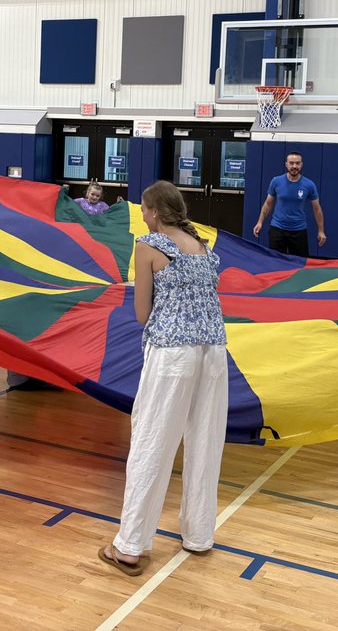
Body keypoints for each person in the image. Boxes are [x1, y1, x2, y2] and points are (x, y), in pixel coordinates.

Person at [99, 181, 228, 576]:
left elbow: (142, 313)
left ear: (153, 211)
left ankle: (130, 546)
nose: (141, 215)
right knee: (205, 441)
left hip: (173, 353)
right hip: (215, 353)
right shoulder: (203, 248)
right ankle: (199, 534)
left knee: (152, 441)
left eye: (143, 209)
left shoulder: (147, 246)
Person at [251, 151, 326, 256]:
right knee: (276, 263)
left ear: (301, 165)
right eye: (291, 163)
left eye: (297, 163)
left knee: (299, 264)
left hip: (299, 231)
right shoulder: (276, 181)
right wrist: (260, 222)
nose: (294, 166)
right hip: (277, 229)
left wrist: (321, 231)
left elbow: (317, 209)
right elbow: (268, 204)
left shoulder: (309, 185)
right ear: (286, 164)